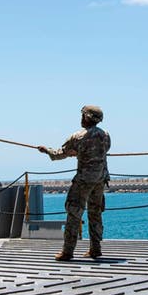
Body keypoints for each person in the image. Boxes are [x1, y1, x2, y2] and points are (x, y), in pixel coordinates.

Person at [38, 105, 111, 261]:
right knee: (95, 213)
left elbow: (60, 154)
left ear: (86, 117)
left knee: (74, 213)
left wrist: (46, 150)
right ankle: (95, 249)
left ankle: (68, 251)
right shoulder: (106, 135)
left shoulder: (78, 136)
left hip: (84, 180)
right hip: (100, 179)